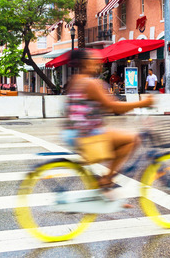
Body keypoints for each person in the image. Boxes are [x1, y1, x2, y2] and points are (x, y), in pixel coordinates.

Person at [63, 48, 154, 189]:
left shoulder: (74, 81)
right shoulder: (91, 84)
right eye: (95, 62)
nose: (99, 65)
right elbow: (114, 107)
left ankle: (107, 188)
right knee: (132, 139)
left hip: (73, 133)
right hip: (87, 134)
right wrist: (143, 103)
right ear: (85, 64)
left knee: (117, 143)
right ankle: (107, 180)